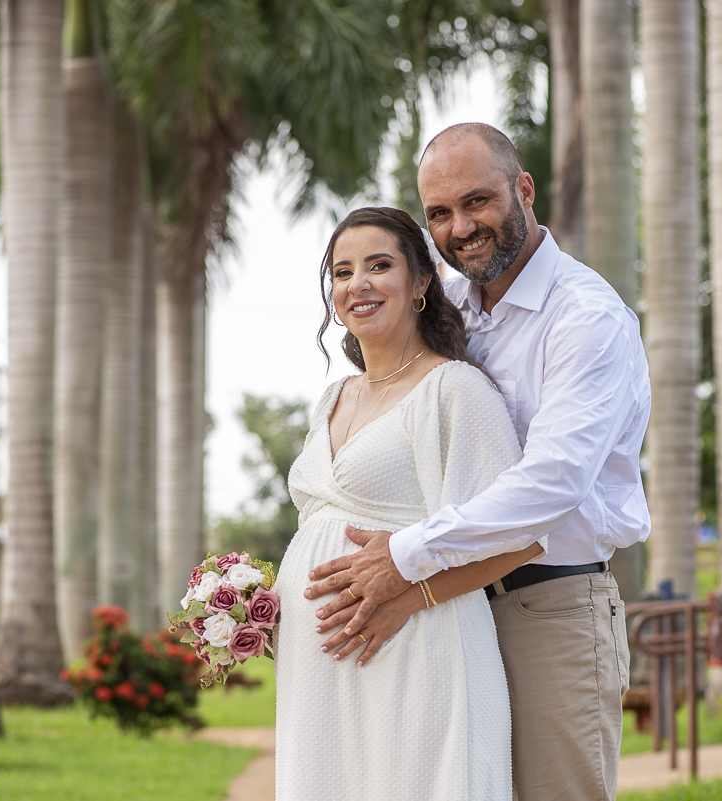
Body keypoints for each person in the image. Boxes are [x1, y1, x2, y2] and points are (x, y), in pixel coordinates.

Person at [305, 123, 651, 800]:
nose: (460, 228)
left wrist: (405, 558)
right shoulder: (451, 305)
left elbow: (551, 484)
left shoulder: (586, 317)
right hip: (445, 615)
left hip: (547, 607)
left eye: (477, 202)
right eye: (439, 213)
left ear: (524, 189)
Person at [272, 206, 546, 800]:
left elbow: (522, 538)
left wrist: (411, 597)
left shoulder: (455, 389)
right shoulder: (332, 399)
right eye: (342, 272)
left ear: (422, 281)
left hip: (417, 646)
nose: (358, 284)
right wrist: (263, 604)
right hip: (318, 664)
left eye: (379, 266)